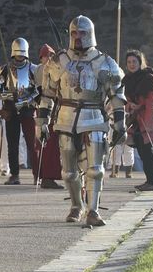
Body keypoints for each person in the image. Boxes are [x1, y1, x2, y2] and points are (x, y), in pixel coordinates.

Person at [41, 15, 126, 226]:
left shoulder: (104, 62)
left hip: (94, 116)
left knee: (95, 169)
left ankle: (93, 211)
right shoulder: (58, 61)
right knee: (69, 172)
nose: (78, 37)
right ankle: (76, 206)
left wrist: (119, 122)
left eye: (82, 33)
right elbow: (47, 94)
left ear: (90, 34)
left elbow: (116, 95)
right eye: (74, 33)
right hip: (66, 117)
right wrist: (41, 122)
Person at [0, 37, 39, 185]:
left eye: (22, 53)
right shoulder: (4, 69)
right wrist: (9, 95)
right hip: (10, 111)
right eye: (17, 53)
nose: (19, 57)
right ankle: (14, 175)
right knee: (12, 144)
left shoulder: (33, 69)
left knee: (32, 144)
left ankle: (37, 175)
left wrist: (25, 99)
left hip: (28, 110)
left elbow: (38, 90)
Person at [120, 50, 153, 191]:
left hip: (149, 118)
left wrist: (146, 117)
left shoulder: (148, 78)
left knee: (147, 150)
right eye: (129, 62)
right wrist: (130, 105)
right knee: (141, 149)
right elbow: (125, 100)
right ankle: (150, 180)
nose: (132, 64)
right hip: (137, 119)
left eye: (134, 61)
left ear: (140, 62)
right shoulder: (127, 80)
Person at [33, 44, 64, 189]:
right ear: (41, 58)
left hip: (51, 109)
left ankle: (46, 175)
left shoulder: (53, 69)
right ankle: (48, 177)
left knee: (49, 144)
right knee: (49, 144)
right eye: (46, 56)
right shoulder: (42, 70)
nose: (49, 58)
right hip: (46, 110)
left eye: (51, 55)